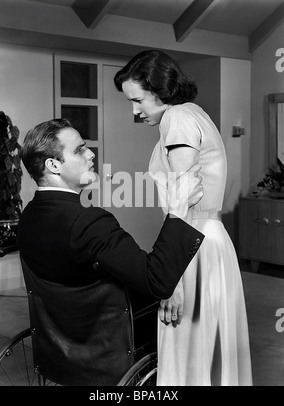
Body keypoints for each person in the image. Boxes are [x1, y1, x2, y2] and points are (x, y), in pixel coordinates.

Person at [17, 118, 204, 386]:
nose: (91, 153)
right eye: (80, 150)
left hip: (58, 340)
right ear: (54, 165)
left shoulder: (29, 218)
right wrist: (178, 210)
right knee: (179, 299)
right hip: (108, 341)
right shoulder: (90, 223)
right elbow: (157, 280)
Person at [114, 49, 252, 386]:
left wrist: (169, 280)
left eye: (138, 100)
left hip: (192, 246)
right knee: (208, 354)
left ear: (160, 88)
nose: (135, 110)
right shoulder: (194, 114)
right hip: (209, 241)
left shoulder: (177, 119)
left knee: (186, 355)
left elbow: (182, 197)